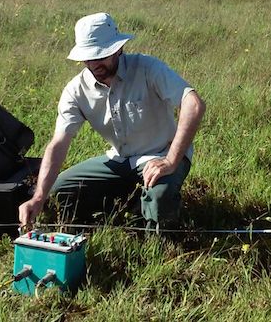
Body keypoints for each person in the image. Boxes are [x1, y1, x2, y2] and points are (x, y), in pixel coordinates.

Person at [18, 12, 205, 230]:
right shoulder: (76, 90)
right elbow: (59, 142)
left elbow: (193, 104)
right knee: (58, 192)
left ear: (118, 49)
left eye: (101, 55)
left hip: (161, 154)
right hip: (119, 160)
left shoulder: (147, 68)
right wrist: (38, 197)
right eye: (88, 58)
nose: (94, 64)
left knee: (159, 197)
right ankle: (126, 207)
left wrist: (171, 160)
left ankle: (158, 235)